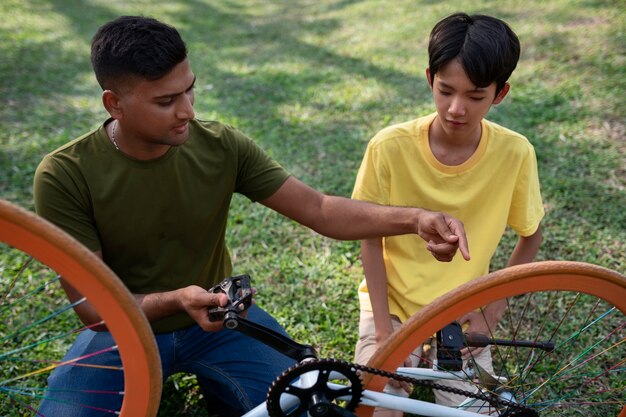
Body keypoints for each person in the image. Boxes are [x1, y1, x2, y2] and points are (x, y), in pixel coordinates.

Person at [32, 16, 470, 417]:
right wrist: (176, 299)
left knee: (308, 407)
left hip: (222, 321)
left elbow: (320, 210)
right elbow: (92, 308)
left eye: (190, 89)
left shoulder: (220, 146)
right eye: (166, 101)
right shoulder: (66, 174)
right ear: (115, 104)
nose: (187, 109)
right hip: (121, 330)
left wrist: (415, 219)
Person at [352, 12, 544, 415]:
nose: (457, 108)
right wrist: (387, 333)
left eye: (475, 96)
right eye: (445, 91)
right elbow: (369, 237)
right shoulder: (388, 147)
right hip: (393, 305)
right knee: (374, 407)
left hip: (463, 310)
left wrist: (489, 315)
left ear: (500, 93)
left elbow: (531, 235)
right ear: (429, 79)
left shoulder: (515, 153)